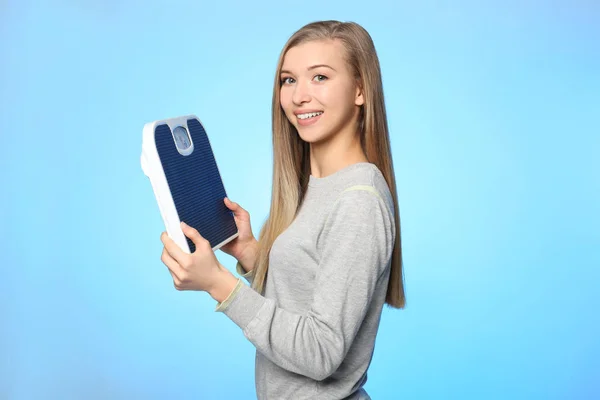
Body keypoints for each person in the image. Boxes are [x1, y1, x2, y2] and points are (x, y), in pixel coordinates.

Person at [160, 20, 405, 400]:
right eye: (288, 80)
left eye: (319, 77)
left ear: (360, 89)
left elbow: (321, 352)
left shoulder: (358, 200)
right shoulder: (318, 186)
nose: (299, 96)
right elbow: (308, 289)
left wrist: (219, 285)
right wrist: (250, 255)